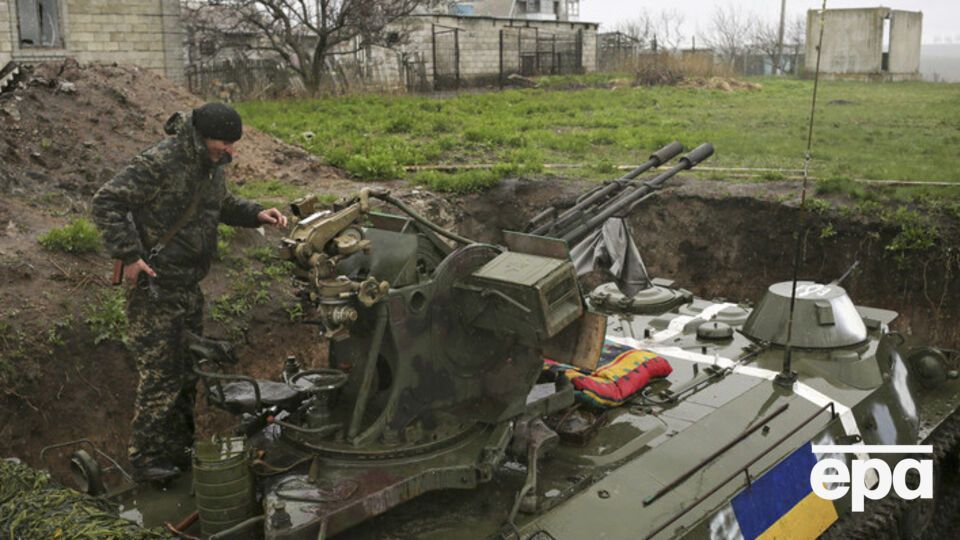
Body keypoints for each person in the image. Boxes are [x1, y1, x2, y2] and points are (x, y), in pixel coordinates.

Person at [92, 103, 288, 481]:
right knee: (160, 374)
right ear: (202, 136)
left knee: (187, 373)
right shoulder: (160, 161)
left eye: (234, 143)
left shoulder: (210, 166)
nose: (230, 150)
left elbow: (220, 205)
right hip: (155, 286)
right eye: (224, 142)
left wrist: (256, 213)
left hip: (187, 286)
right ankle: (147, 458)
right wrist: (128, 256)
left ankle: (180, 449)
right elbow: (106, 201)